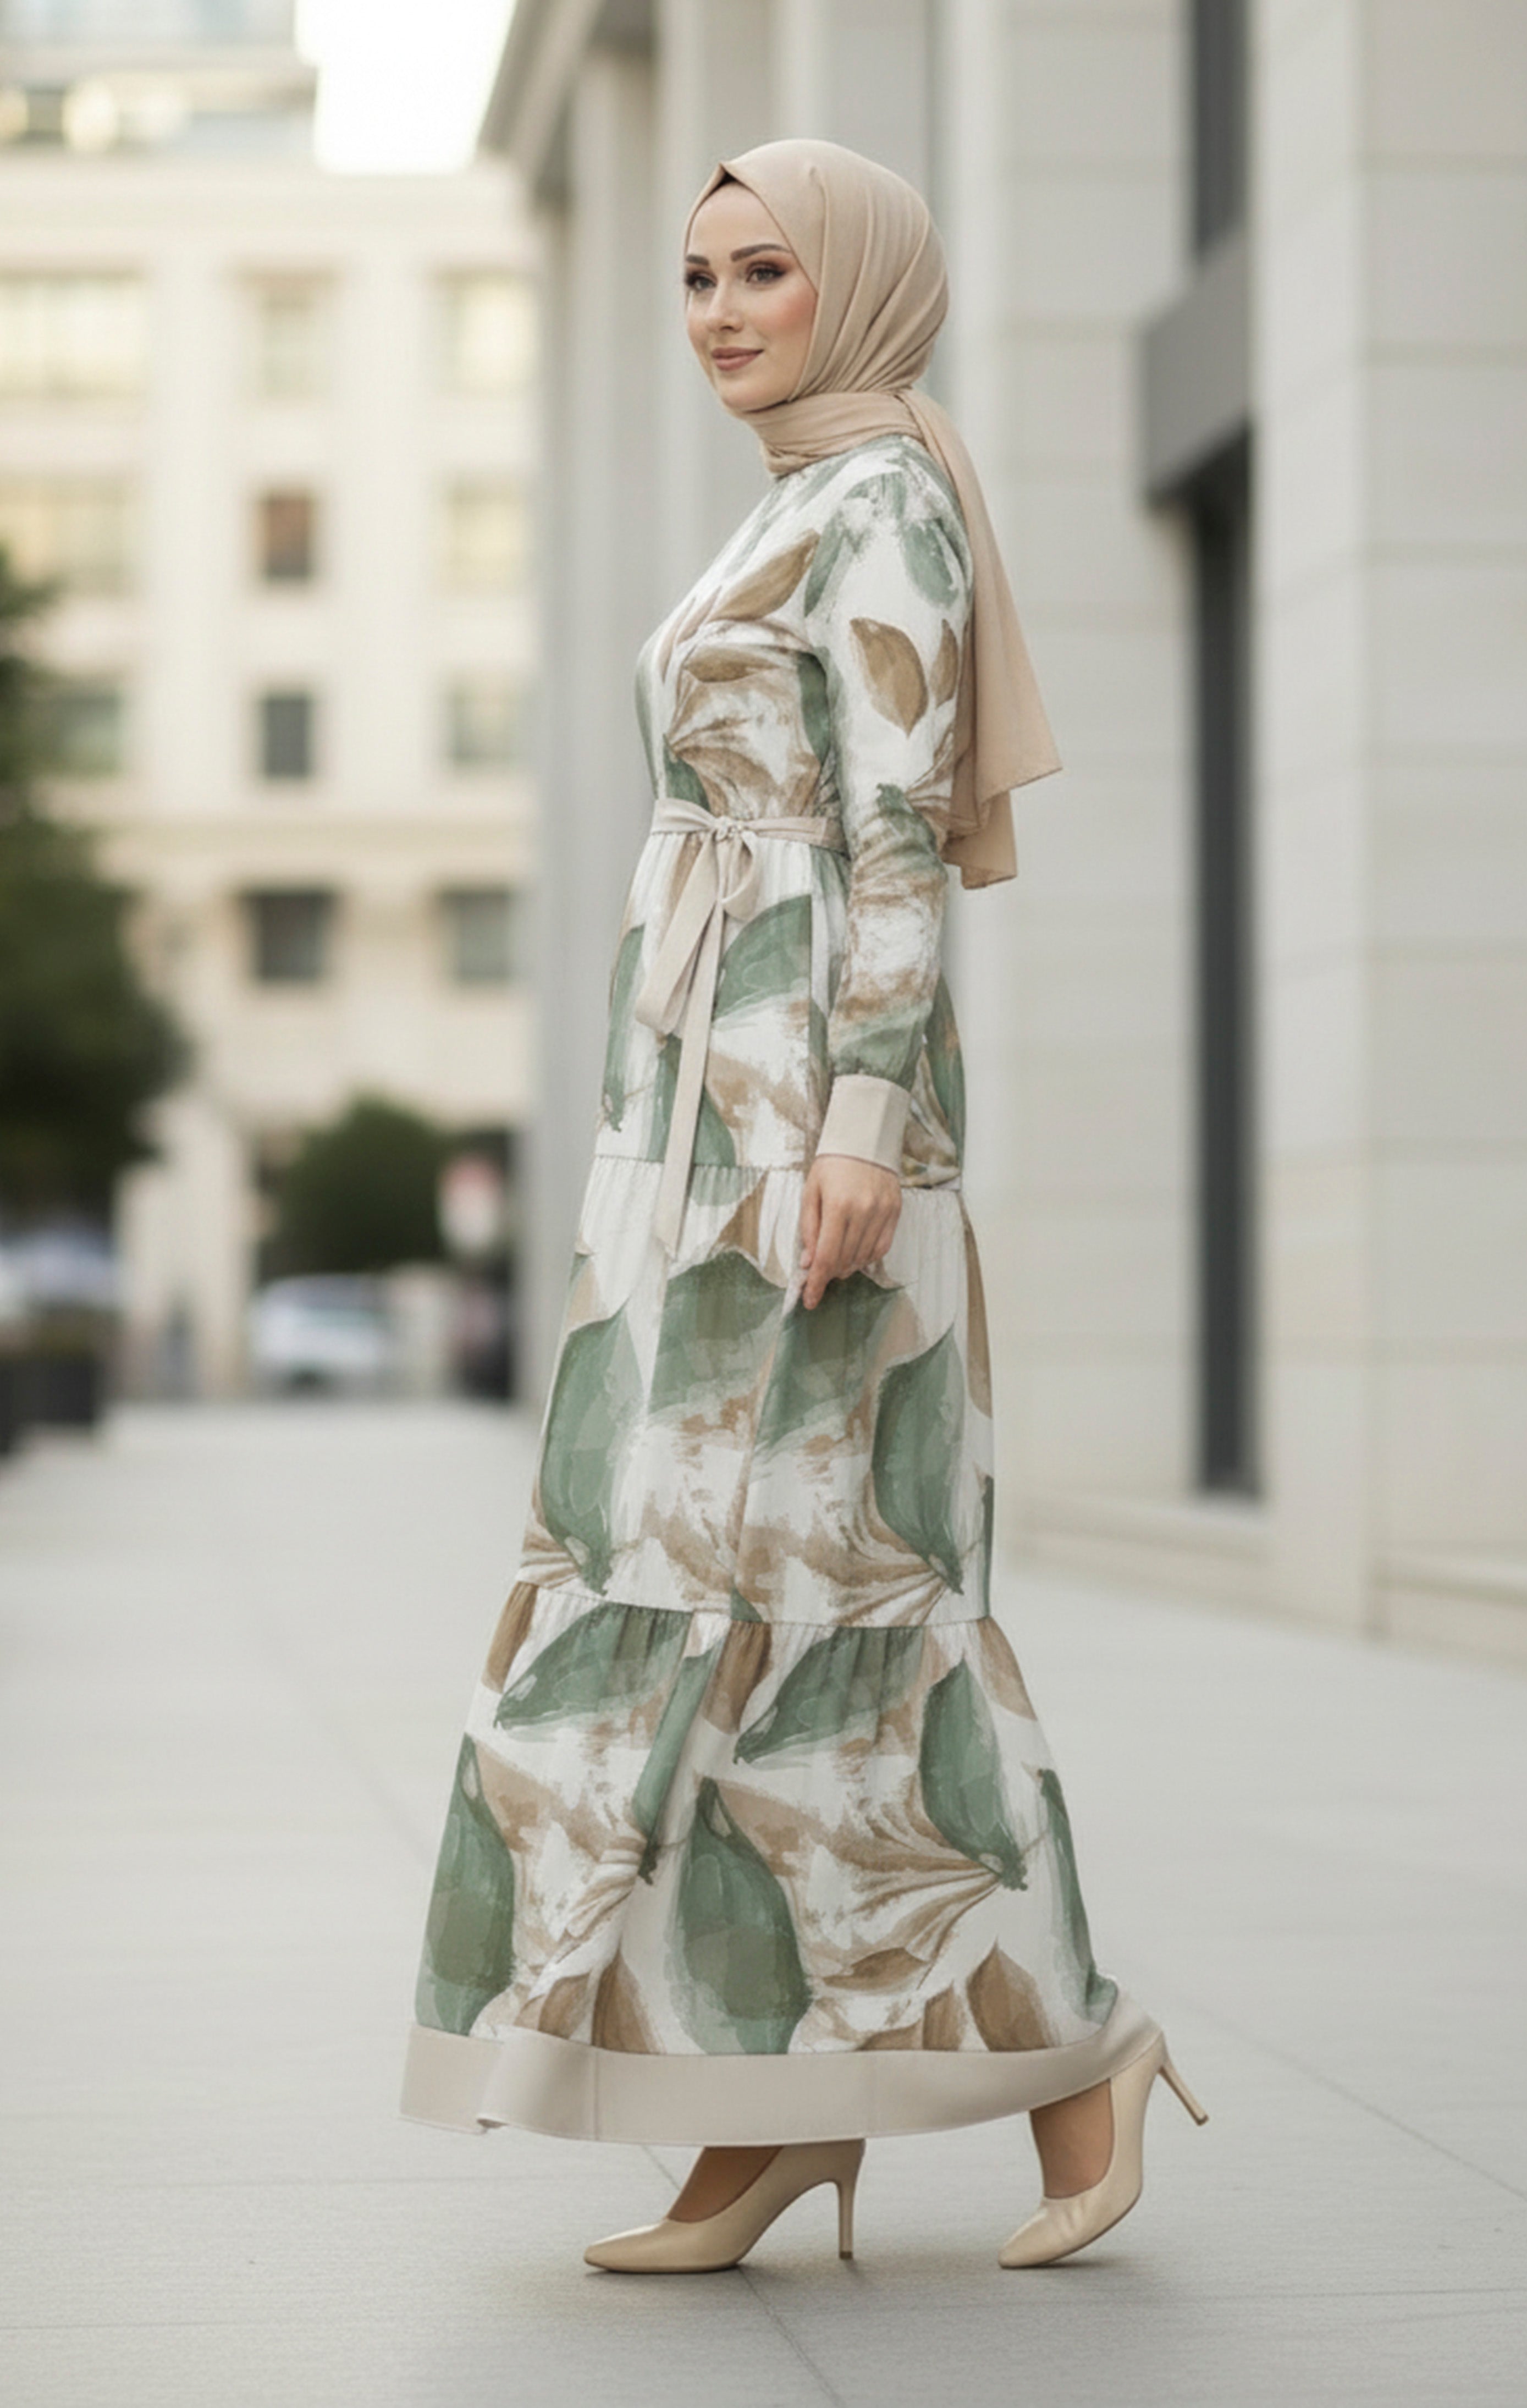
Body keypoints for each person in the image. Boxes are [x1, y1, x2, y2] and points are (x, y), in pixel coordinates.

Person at [399, 135, 1206, 2273]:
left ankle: (1071, 2051)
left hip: (794, 1130)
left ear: (858, 283)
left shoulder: (875, 510)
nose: (723, 311)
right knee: (711, 1604)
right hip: (697, 1119)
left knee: (831, 1606)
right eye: (693, 276)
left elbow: (887, 848)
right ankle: (766, 2112)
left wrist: (856, 1118)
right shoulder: (798, 502)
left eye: (765, 269)